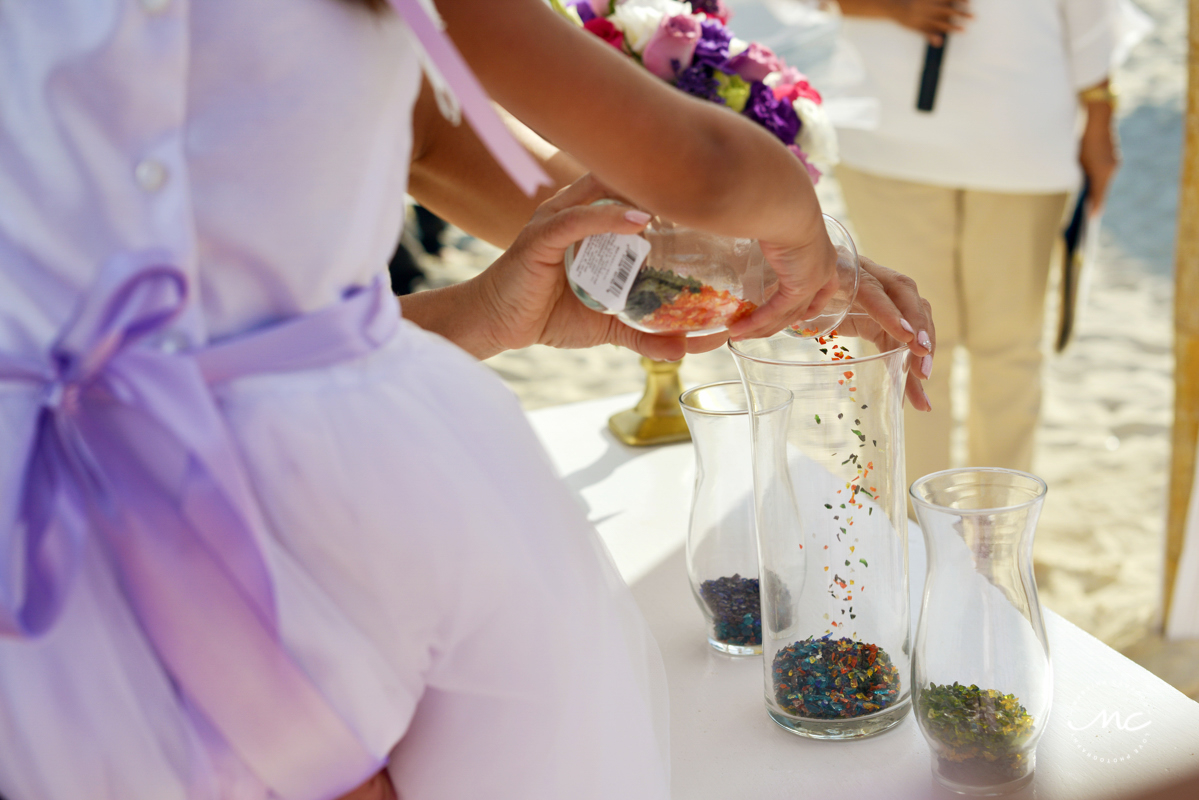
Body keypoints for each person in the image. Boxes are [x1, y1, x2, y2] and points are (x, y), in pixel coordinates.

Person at [0, 1, 935, 799]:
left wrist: (706, 265)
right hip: (328, 499)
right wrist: (792, 230)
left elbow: (422, 135)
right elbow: (711, 171)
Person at [832, 0, 1124, 482]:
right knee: (905, 345)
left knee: (1008, 352)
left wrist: (1100, 108)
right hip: (886, 137)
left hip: (1022, 139)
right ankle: (909, 533)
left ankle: (999, 538)